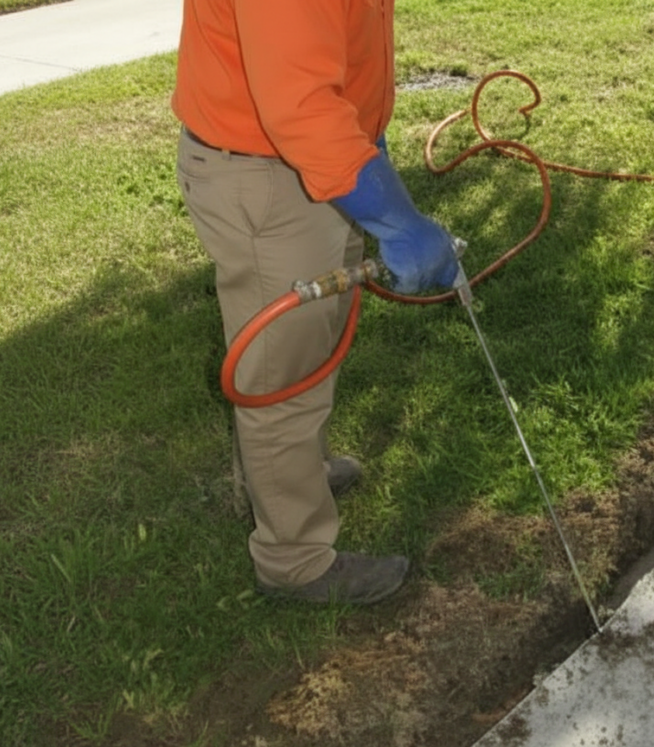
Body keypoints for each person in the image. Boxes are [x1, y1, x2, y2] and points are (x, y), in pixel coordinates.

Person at [172, 0, 459, 604]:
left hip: (308, 161)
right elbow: (299, 104)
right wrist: (397, 220)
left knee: (311, 343)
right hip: (273, 172)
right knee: (282, 377)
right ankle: (293, 559)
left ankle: (298, 474)